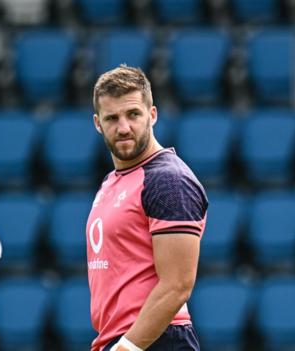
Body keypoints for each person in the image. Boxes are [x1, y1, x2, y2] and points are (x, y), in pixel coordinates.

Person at [86, 65, 208, 351]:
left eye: (133, 114)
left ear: (152, 115)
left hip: (155, 341)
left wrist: (127, 347)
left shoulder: (168, 180)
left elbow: (177, 285)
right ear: (97, 123)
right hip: (125, 339)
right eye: (112, 118)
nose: (124, 127)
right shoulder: (112, 182)